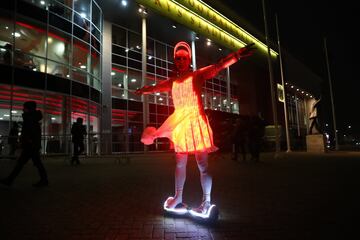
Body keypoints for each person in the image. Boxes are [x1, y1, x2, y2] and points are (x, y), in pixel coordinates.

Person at [135, 41, 255, 215]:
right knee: (180, 163)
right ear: (174, 60)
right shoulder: (173, 81)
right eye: (177, 58)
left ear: (189, 59)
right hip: (180, 125)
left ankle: (206, 201)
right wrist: (144, 90)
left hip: (196, 123)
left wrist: (236, 55)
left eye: (184, 58)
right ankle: (178, 197)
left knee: (202, 165)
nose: (180, 60)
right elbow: (155, 88)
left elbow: (218, 65)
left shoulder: (197, 75)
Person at [0, 101, 48, 187]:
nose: (23, 109)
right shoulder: (33, 118)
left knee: (22, 163)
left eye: (24, 107)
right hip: (32, 146)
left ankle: (9, 180)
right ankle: (44, 180)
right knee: (33, 163)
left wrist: (27, 141)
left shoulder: (29, 118)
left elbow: (30, 132)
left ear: (28, 108)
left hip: (30, 146)